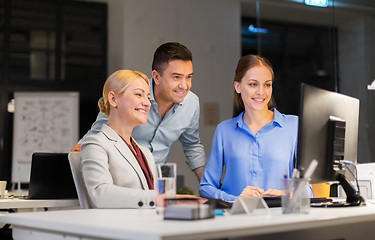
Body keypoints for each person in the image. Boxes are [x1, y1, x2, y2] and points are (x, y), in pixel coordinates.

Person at [73, 42, 205, 181]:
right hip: (120, 180)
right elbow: (96, 135)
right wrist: (79, 155)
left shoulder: (191, 103)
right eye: (176, 77)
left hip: (154, 182)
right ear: (156, 77)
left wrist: (210, 188)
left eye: (189, 77)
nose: (184, 85)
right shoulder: (127, 96)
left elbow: (192, 146)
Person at [199, 55, 298, 202]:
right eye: (253, 84)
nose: (261, 92)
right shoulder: (224, 131)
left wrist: (287, 193)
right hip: (238, 220)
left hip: (280, 218)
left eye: (267, 84)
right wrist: (236, 199)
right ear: (237, 87)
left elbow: (310, 188)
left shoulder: (293, 126)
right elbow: (206, 188)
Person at [80, 70, 156, 208]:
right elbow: (100, 194)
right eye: (139, 94)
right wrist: (158, 198)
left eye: (148, 97)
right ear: (113, 99)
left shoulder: (145, 152)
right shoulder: (96, 144)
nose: (147, 103)